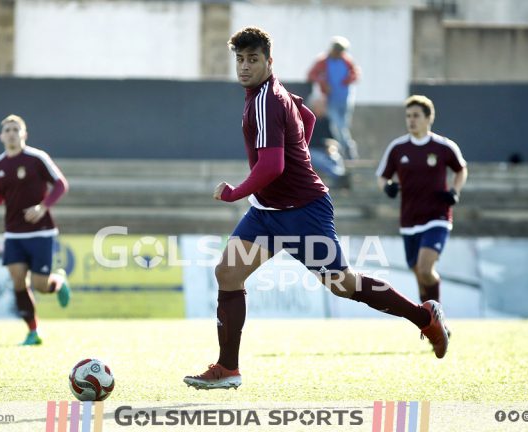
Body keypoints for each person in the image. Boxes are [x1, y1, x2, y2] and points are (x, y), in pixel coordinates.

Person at [183, 27, 449, 391]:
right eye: (240, 60)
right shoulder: (272, 95)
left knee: (343, 285)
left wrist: (235, 193)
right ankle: (228, 368)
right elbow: (306, 117)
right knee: (228, 274)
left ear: (268, 61)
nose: (244, 67)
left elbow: (273, 166)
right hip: (268, 211)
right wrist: (299, 156)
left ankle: (425, 316)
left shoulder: (265, 100)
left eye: (253, 59)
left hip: (303, 212)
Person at [0, 114, 71, 346]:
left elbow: (61, 184)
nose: (11, 133)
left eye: (15, 129)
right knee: (18, 280)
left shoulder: (37, 158)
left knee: (41, 286)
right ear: (1, 136)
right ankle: (33, 332)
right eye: (7, 130)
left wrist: (43, 207)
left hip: (41, 232)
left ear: (24, 134)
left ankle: (57, 283)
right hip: (13, 233)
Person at [376, 95, 468, 312]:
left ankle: (438, 315)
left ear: (428, 119)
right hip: (409, 220)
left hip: (437, 217)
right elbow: (381, 176)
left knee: (426, 270)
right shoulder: (398, 148)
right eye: (408, 116)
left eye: (416, 115)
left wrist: (455, 190)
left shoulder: (443, 146)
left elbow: (461, 169)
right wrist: (387, 187)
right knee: (419, 274)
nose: (411, 120)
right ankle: (430, 322)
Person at [307, 36, 360, 160]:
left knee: (343, 126)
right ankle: (348, 152)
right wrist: (323, 83)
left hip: (345, 100)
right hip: (330, 100)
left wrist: (348, 79)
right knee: (337, 126)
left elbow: (356, 74)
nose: (338, 53)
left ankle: (347, 151)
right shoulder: (323, 61)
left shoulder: (347, 61)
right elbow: (311, 75)